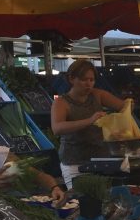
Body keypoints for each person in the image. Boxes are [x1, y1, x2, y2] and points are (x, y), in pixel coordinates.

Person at [51, 59, 127, 188]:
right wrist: (90, 121)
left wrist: (119, 120)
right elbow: (57, 128)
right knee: (81, 202)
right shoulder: (61, 102)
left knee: (105, 201)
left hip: (101, 160)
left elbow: (124, 107)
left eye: (91, 80)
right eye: (84, 80)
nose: (88, 84)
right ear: (71, 79)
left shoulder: (98, 95)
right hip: (74, 163)